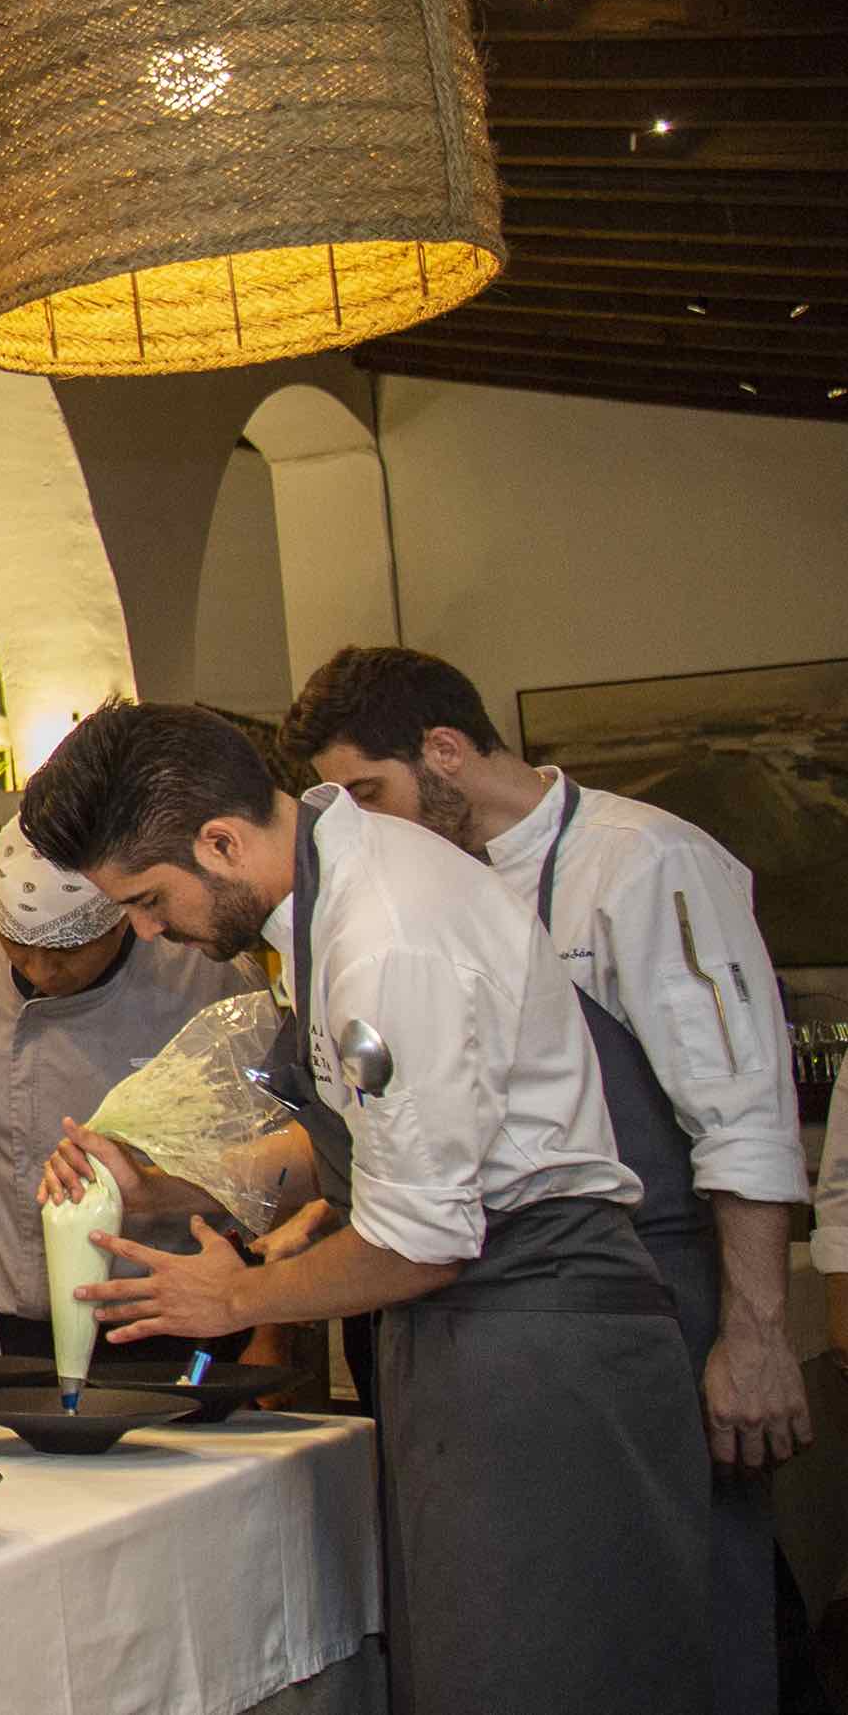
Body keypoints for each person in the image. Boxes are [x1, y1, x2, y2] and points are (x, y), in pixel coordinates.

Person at [27, 701, 706, 1715]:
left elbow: (425, 1237)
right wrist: (167, 1184)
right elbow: (363, 1142)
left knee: (536, 1675)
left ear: (219, 841)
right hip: (466, 1330)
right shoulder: (327, 891)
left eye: (147, 896)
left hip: (541, 1339)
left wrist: (234, 1300)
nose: (146, 927)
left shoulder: (386, 933)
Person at [285, 644, 811, 1715]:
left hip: (656, 1282)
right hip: (490, 1309)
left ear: (444, 750)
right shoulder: (409, 885)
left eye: (375, 794)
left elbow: (743, 1112)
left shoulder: (642, 861)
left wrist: (754, 1335)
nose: (368, 827)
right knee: (542, 1623)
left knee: (684, 1601)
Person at [0, 817, 253, 1365]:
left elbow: (264, 1153)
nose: (41, 971)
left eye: (65, 955)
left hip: (174, 1312)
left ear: (122, 920)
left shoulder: (203, 973)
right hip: (14, 1322)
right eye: (17, 948)